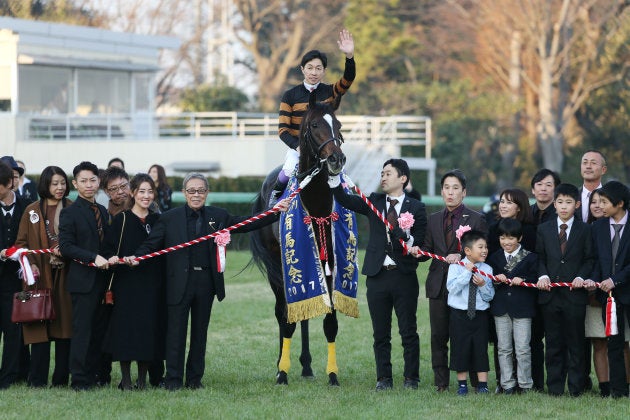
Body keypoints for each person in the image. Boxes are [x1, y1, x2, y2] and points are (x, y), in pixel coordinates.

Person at [125, 173, 290, 391]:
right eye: (191, 191)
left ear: (207, 192)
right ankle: (173, 380)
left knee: (199, 334)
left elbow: (247, 223)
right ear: (184, 193)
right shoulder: (169, 218)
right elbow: (152, 244)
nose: (196, 195)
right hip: (178, 283)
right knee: (175, 333)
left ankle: (194, 380)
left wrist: (275, 211)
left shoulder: (218, 216)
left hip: (205, 283)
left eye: (200, 190)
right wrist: (136, 257)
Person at [331, 159, 427, 390]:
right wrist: (334, 179)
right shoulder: (373, 201)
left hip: (404, 276)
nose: (383, 177)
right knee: (380, 333)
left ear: (403, 178)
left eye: (388, 173)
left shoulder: (416, 207)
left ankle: (411, 379)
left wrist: (411, 243)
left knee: (408, 331)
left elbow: (424, 249)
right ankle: (383, 379)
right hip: (377, 276)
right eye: (381, 173)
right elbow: (345, 199)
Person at [419, 169, 488, 392]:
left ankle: (475, 382)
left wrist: (463, 255)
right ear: (441, 192)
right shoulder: (433, 219)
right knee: (439, 336)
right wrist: (415, 249)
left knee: (466, 335)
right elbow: (427, 250)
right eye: (447, 188)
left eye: (455, 188)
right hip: (439, 285)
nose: (450, 192)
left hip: (466, 286)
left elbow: (483, 252)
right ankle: (441, 383)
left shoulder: (477, 219)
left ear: (464, 192)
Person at [269, 29, 356, 205]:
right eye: (309, 68)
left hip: (325, 148)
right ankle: (274, 198)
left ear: (324, 71)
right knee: (288, 170)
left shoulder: (330, 91)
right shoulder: (290, 96)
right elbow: (283, 130)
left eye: (318, 68)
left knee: (342, 172)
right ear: (302, 69)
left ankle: (348, 207)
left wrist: (349, 56)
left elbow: (348, 79)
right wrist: (297, 147)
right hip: (299, 149)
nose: (314, 72)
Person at [102, 173, 165, 390]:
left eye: (150, 191)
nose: (146, 196)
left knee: (148, 329)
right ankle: (126, 379)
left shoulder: (158, 220)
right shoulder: (122, 219)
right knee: (126, 330)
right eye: (142, 191)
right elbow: (108, 249)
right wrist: (113, 258)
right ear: (133, 193)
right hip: (127, 284)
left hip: (151, 283)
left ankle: (143, 379)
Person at [14, 166, 73, 387]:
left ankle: (61, 379)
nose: (59, 188)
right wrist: (30, 266)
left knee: (64, 329)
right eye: (54, 183)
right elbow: (20, 245)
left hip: (65, 277)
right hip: (39, 279)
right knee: (39, 327)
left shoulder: (71, 208)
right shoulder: (32, 210)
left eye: (62, 183)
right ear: (45, 185)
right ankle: (36, 379)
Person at [536, 183, 594, 396]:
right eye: (560, 202)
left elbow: (589, 259)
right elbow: (540, 257)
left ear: (577, 205)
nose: (563, 206)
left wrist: (581, 276)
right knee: (553, 342)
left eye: (568, 202)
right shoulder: (543, 229)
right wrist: (542, 275)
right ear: (554, 203)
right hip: (550, 296)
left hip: (575, 296)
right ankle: (555, 387)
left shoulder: (585, 230)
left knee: (576, 343)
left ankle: (576, 387)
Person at [59, 161, 110, 391]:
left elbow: (106, 244)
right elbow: (66, 246)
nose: (89, 185)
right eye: (83, 181)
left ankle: (92, 375)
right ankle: (78, 380)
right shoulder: (69, 213)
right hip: (82, 282)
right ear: (75, 184)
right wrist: (92, 257)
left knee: (99, 330)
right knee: (82, 331)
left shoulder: (102, 210)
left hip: (104, 281)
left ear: (99, 181)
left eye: (92, 180)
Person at [586, 181, 630, 398]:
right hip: (609, 298)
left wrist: (615, 279)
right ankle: (619, 390)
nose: (599, 206)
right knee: (614, 342)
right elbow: (596, 261)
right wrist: (591, 280)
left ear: (620, 203)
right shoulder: (598, 227)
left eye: (604, 202)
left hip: (625, 288)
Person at [487, 218, 538, 394]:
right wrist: (496, 280)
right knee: (503, 348)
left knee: (523, 348)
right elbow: (488, 282)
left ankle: (525, 384)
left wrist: (523, 280)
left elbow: (536, 280)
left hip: (523, 309)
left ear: (520, 238)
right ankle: (507, 383)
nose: (506, 242)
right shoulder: (494, 258)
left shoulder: (531, 257)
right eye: (502, 238)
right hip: (501, 309)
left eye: (511, 238)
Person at [446, 230, 495, 395]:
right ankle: (462, 384)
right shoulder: (456, 267)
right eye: (480, 247)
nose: (485, 250)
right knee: (460, 348)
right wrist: (467, 272)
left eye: (486, 247)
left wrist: (482, 284)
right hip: (459, 315)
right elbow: (452, 288)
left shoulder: (487, 269)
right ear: (467, 250)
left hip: (480, 315)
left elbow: (489, 296)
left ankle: (482, 385)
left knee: (480, 348)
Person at [529, 168, 561, 392]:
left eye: (548, 185)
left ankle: (557, 383)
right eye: (539, 184)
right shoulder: (525, 214)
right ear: (532, 189)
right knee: (532, 338)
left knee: (556, 339)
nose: (543, 189)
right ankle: (536, 383)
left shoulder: (562, 216)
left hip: (555, 286)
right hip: (528, 286)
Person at [0, 160, 28, 389]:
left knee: (13, 329)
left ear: (10, 183)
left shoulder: (27, 208)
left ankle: (8, 376)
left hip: (16, 280)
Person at [582, 189, 612, 396]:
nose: (598, 205)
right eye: (594, 202)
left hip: (616, 294)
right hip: (592, 296)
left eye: (602, 201)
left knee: (622, 343)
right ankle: (604, 385)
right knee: (598, 341)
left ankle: (622, 382)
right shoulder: (586, 230)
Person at [578, 150, 606, 222]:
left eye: (593, 163)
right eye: (585, 163)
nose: (588, 166)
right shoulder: (572, 196)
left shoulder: (611, 197)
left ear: (603, 170)